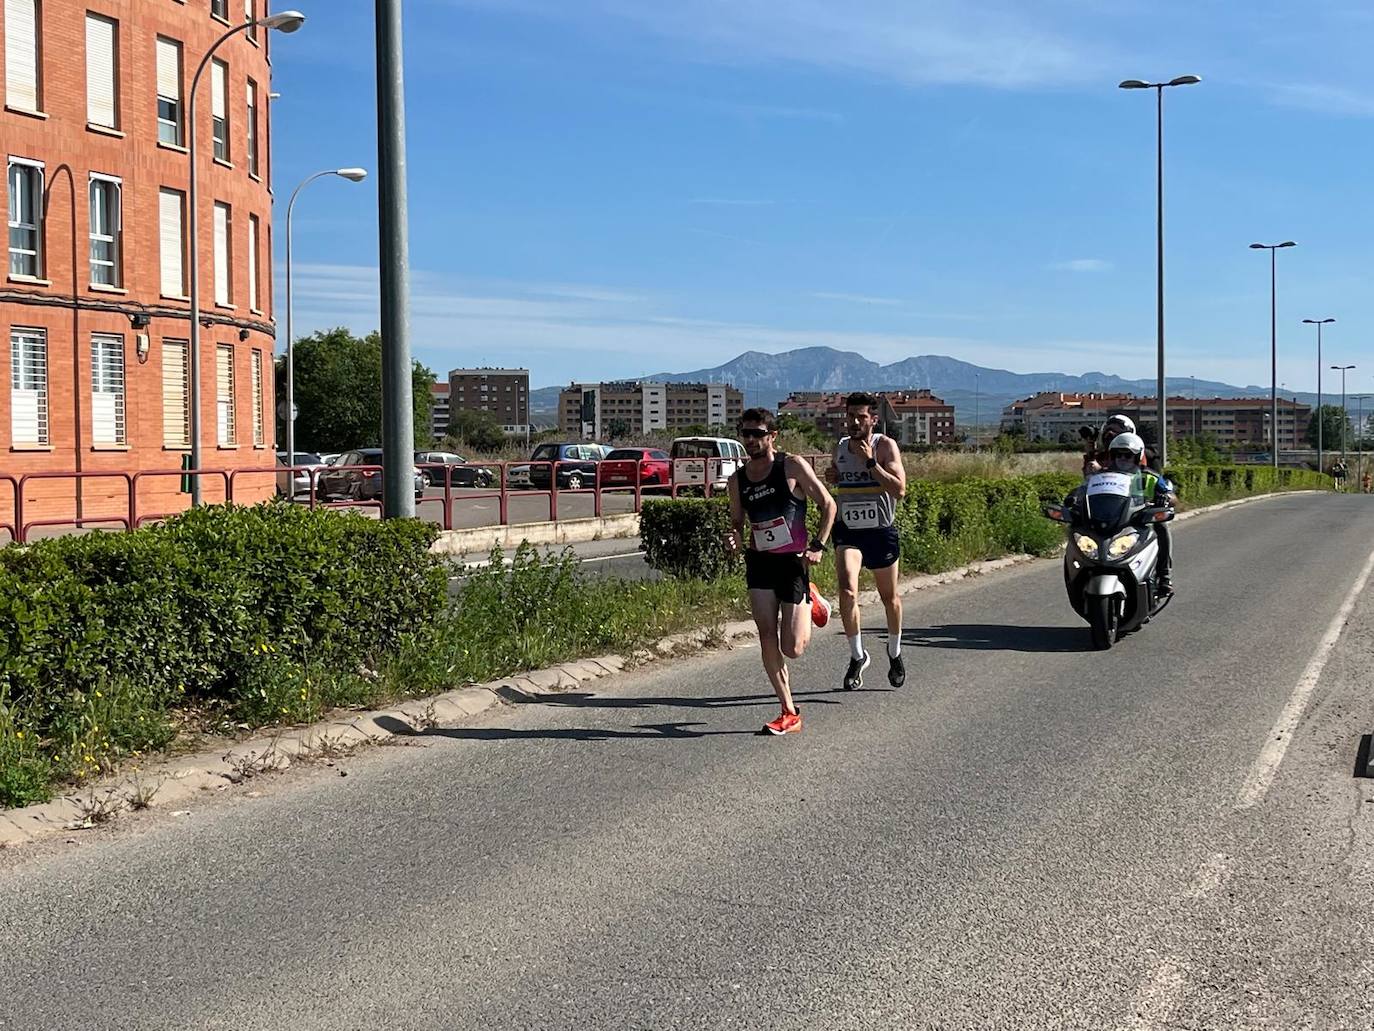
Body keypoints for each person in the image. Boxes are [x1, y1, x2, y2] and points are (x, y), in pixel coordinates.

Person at [725, 408, 837, 736]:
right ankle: (788, 710)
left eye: (758, 434)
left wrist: (818, 545)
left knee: (793, 648)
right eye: (746, 434)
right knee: (765, 634)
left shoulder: (792, 466)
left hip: (792, 563)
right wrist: (733, 537)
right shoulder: (737, 480)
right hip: (760, 562)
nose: (751, 440)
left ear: (772, 436)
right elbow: (736, 522)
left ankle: (811, 599)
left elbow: (829, 505)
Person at [824, 392, 908, 690]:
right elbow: (838, 477)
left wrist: (870, 462)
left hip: (880, 531)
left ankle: (894, 652)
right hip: (849, 531)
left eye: (861, 417)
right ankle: (857, 656)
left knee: (889, 598)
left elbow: (899, 490)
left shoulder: (885, 446)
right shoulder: (841, 447)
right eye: (850, 416)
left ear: (873, 419)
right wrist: (833, 476)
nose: (855, 422)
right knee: (847, 591)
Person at [1106, 432, 1176, 594]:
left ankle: (1164, 575)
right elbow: (1086, 490)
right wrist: (1076, 498)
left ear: (1137, 457)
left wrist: (1165, 497)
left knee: (1162, 527)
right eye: (1118, 455)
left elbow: (1172, 497)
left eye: (1128, 455)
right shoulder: (1104, 475)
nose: (1122, 459)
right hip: (1114, 520)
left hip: (1142, 520)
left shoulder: (1150, 476)